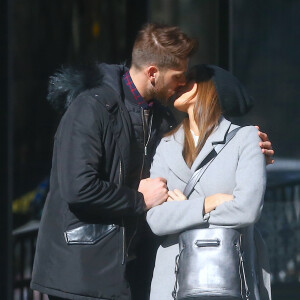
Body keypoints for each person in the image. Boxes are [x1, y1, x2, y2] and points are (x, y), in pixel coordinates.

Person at [31, 23, 274, 300]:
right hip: (81, 274)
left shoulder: (159, 119)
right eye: (178, 76)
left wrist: (249, 152)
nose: (182, 83)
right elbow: (78, 187)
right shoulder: (91, 107)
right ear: (153, 73)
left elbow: (195, 172)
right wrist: (139, 199)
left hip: (130, 273)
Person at [147, 64, 271, 300]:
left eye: (188, 79)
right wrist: (209, 203)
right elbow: (156, 220)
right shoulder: (166, 145)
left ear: (203, 88)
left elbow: (247, 210)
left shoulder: (245, 139)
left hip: (230, 281)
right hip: (172, 285)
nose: (178, 85)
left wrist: (182, 211)